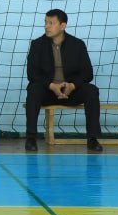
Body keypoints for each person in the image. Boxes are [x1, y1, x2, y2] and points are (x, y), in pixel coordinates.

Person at [25, 9, 102, 152]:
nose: (46, 26)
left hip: (71, 92)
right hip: (47, 91)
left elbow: (88, 73)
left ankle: (92, 139)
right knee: (34, 89)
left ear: (63, 26)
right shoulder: (37, 44)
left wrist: (73, 85)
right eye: (45, 22)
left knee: (91, 91)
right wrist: (51, 85)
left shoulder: (77, 44)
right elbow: (32, 73)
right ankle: (31, 138)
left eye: (51, 23)